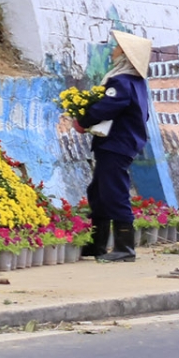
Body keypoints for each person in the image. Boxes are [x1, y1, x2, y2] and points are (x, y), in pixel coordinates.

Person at [76, 31, 154, 263]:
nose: (112, 51)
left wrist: (83, 120)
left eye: (117, 48)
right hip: (124, 142)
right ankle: (97, 244)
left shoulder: (120, 82)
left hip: (115, 144)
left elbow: (106, 108)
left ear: (125, 55)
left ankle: (124, 247)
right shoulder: (137, 82)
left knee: (114, 192)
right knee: (99, 192)